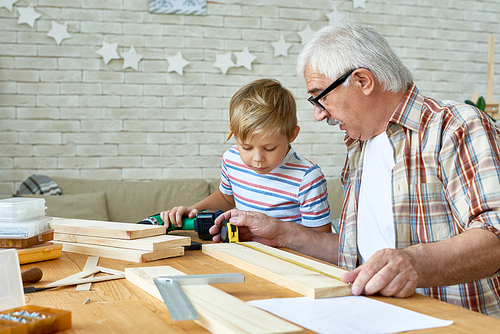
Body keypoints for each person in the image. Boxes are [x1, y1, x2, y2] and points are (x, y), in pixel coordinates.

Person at [210, 22, 500, 318]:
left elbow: (496, 236)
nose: (319, 113)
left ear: (362, 80)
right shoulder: (358, 147)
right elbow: (353, 255)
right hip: (369, 315)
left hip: (455, 321)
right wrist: (281, 233)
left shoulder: (455, 127)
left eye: (320, 96)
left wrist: (415, 263)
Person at [161, 78, 332, 234]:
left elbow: (320, 239)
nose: (257, 158)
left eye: (270, 148)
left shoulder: (308, 178)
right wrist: (193, 210)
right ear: (234, 135)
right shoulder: (231, 159)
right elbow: (226, 198)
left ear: (292, 135)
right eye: (246, 147)